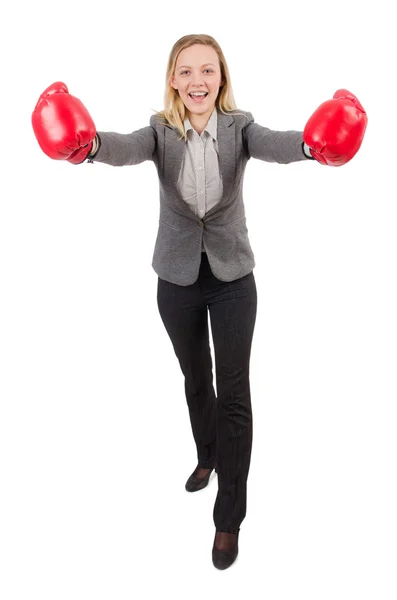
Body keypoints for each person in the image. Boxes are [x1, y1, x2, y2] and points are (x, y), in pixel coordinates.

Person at [31, 33, 367, 570]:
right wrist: (89, 146)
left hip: (234, 278)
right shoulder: (160, 132)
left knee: (234, 393)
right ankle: (206, 456)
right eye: (186, 71)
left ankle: (229, 516)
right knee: (195, 378)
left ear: (221, 78)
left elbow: (277, 144)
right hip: (177, 280)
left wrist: (311, 145)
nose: (197, 81)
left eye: (207, 71)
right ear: (173, 79)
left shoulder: (240, 128)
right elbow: (124, 148)